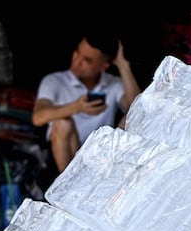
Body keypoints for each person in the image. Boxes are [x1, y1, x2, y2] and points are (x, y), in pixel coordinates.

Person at [32, 31, 141, 175]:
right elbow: (38, 118)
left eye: (87, 60)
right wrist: (76, 107)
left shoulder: (112, 83)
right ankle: (67, 184)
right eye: (77, 53)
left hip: (101, 155)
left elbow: (139, 110)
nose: (77, 61)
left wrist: (123, 65)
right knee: (63, 122)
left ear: (103, 66)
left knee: (132, 116)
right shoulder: (54, 81)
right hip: (64, 155)